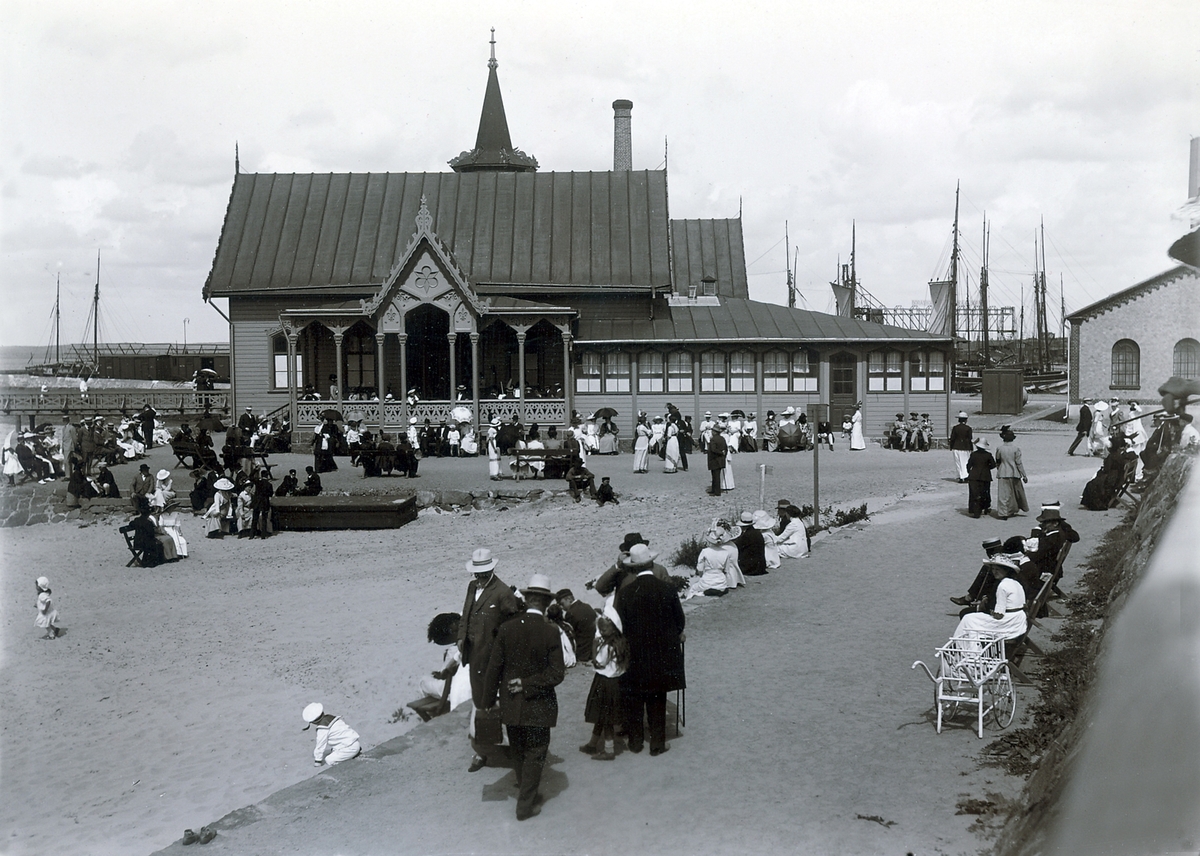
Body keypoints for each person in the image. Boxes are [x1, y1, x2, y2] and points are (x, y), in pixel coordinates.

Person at [481, 573, 566, 821]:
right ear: (547, 603)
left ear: (527, 599)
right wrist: (528, 684)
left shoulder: (507, 629)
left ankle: (526, 795)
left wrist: (486, 702)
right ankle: (525, 804)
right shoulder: (551, 632)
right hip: (540, 705)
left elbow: (493, 670)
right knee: (536, 752)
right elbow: (556, 674)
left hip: (511, 704)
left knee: (518, 751)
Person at [614, 544, 686, 757]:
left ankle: (635, 742)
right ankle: (657, 743)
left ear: (634, 568)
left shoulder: (626, 593)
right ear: (652, 563)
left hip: (635, 654)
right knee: (657, 697)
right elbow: (679, 621)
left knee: (635, 697)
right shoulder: (667, 589)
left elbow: (620, 624)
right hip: (661, 654)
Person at [458, 548, 520, 773]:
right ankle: (482, 751)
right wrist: (460, 639)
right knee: (480, 702)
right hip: (474, 656)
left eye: (484, 573)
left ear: (492, 569)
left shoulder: (502, 592)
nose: (481, 577)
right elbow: (466, 613)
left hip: (494, 658)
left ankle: (514, 747)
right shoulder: (472, 586)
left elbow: (512, 625)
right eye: (478, 573)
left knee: (500, 702)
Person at [578, 607, 629, 761]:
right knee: (602, 716)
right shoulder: (620, 643)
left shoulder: (607, 646)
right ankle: (592, 744)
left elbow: (599, 663)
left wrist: (594, 648)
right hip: (614, 682)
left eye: (603, 629)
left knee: (605, 718)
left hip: (604, 682)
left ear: (613, 629)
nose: (600, 632)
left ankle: (609, 750)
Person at [409, 613, 473, 722]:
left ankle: (436, 710)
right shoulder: (473, 637)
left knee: (423, 681)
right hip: (473, 683)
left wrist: (441, 675)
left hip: (455, 690)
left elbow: (447, 674)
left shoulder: (454, 651)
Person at [951, 558, 1027, 644]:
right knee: (972, 620)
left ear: (1006, 571)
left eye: (998, 569)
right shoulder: (1016, 583)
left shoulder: (1002, 586)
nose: (994, 572)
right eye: (993, 569)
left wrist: (986, 609)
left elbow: (999, 615)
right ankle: (963, 646)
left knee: (968, 619)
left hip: (1008, 623)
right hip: (1017, 621)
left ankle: (960, 646)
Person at [994, 426, 1029, 520]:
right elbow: (1019, 463)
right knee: (1014, 493)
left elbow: (997, 461)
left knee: (1003, 494)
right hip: (1014, 472)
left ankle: (1003, 513)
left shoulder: (999, 448)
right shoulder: (1016, 449)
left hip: (1002, 472)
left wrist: (999, 469)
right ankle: (1013, 509)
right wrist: (1024, 475)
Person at [555, 589, 596, 663]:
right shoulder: (587, 606)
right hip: (593, 651)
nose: (561, 607)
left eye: (562, 604)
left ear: (569, 599)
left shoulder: (570, 613)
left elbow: (570, 636)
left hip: (582, 653)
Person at [966, 436, 996, 518]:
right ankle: (985, 507)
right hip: (985, 476)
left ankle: (974, 509)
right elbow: (993, 465)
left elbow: (968, 465)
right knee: (985, 492)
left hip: (973, 476)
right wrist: (987, 468)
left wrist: (970, 472)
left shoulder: (973, 454)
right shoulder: (988, 455)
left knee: (974, 493)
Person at [733, 511, 767, 576]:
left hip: (750, 568)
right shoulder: (757, 533)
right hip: (760, 566)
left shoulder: (746, 535)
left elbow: (738, 547)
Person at [949, 411, 973, 481]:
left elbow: (952, 438)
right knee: (965, 462)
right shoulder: (968, 428)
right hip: (966, 447)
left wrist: (951, 446)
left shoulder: (955, 428)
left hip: (956, 446)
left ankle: (960, 476)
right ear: (966, 420)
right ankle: (966, 476)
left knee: (958, 462)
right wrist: (971, 448)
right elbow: (970, 438)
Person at [706, 420, 728, 496]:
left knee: (715, 476)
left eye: (713, 431)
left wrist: (720, 452)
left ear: (715, 432)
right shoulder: (722, 439)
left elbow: (713, 449)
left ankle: (717, 491)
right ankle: (714, 489)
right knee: (716, 475)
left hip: (714, 460)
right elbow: (726, 449)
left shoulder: (713, 439)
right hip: (721, 460)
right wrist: (723, 456)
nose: (712, 432)